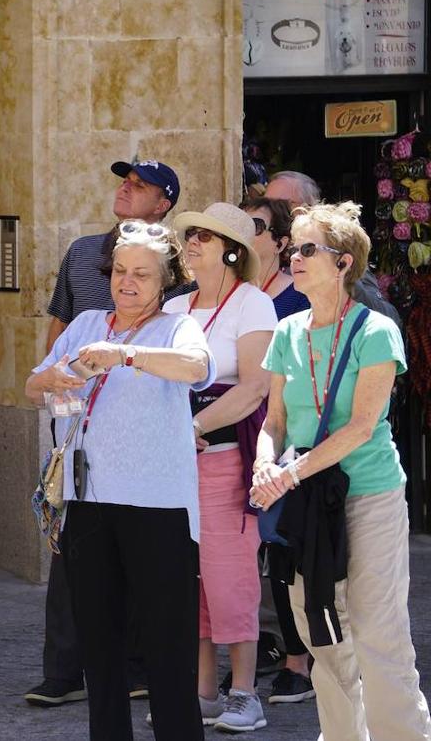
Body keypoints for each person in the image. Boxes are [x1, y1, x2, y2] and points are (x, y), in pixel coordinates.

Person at [27, 220, 214, 740]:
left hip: (159, 508)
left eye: (142, 274)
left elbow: (196, 367)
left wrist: (126, 355)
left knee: (167, 650)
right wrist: (55, 377)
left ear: (165, 282)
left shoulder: (177, 325)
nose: (127, 282)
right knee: (100, 653)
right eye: (120, 271)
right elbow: (31, 384)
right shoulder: (86, 321)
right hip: (86, 502)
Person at [251, 201, 431, 741]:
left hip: (368, 494)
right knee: (322, 633)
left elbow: (359, 427)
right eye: (292, 247)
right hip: (308, 500)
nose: (294, 257)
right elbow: (274, 420)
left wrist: (289, 472)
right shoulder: (286, 333)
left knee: (379, 636)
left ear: (344, 262)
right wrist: (264, 460)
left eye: (307, 249)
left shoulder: (376, 331)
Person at [165, 203, 277, 732]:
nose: (190, 244)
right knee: (190, 580)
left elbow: (255, 387)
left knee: (230, 576)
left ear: (231, 250)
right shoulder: (175, 307)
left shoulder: (252, 303)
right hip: (171, 465)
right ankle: (203, 692)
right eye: (189, 236)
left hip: (227, 459)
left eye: (204, 237)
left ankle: (245, 693)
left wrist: (194, 427)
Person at [240, 195, 316, 705]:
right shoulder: (241, 295)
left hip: (282, 434)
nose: (246, 233)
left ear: (281, 241)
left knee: (284, 545)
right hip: (240, 432)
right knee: (248, 552)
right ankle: (261, 651)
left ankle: (299, 660)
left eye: (257, 226)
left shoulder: (295, 300)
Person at [265, 171, 398, 323]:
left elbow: (387, 316)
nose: (268, 212)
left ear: (304, 210)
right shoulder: (258, 255)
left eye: (278, 205)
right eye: (265, 203)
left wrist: (340, 275)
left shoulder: (332, 254)